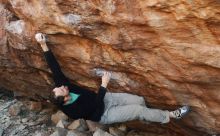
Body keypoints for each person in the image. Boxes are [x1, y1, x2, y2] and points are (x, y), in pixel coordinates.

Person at [35, 33, 190, 125]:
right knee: (138, 110)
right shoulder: (73, 111)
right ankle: (170, 115)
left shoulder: (62, 87)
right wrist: (103, 85)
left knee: (140, 101)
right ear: (65, 99)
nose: (63, 86)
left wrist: (43, 44)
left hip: (107, 98)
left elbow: (54, 68)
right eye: (62, 89)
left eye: (60, 87)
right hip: (104, 114)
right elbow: (95, 106)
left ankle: (147, 117)